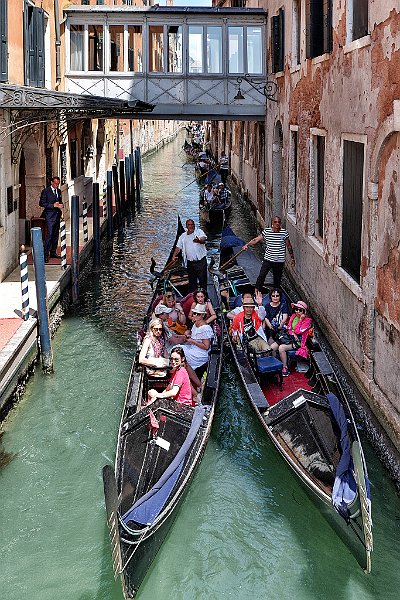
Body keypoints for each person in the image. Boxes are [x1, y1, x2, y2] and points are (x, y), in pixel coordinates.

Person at [243, 216, 295, 291]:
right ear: (272, 223)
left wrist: (292, 258)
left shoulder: (284, 233)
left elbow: (289, 246)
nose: (277, 224)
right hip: (268, 259)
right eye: (275, 222)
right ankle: (257, 291)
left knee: (277, 278)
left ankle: (276, 293)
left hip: (279, 261)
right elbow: (256, 240)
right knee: (261, 275)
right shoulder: (267, 231)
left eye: (279, 222)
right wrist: (247, 245)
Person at [276, 300, 313, 376]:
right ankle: (276, 367)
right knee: (273, 346)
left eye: (300, 310)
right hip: (290, 338)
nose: (297, 311)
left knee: (281, 348)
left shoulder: (307, 321)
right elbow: (289, 328)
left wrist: (300, 320)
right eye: (296, 309)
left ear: (304, 312)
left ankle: (284, 367)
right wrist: (293, 333)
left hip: (299, 342)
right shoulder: (293, 316)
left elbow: (298, 331)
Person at [171, 219, 207, 292]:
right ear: (186, 226)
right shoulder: (183, 236)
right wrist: (174, 256)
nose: (191, 226)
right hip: (190, 262)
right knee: (192, 281)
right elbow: (178, 247)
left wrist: (199, 240)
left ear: (194, 225)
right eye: (189, 225)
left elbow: (203, 239)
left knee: (202, 280)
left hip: (200, 261)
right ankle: (193, 296)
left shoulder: (199, 232)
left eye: (192, 224)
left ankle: (204, 296)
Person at [181, 303, 214, 376]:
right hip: (193, 348)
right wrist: (188, 333)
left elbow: (206, 347)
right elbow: (193, 334)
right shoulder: (196, 324)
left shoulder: (205, 328)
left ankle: (186, 373)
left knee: (179, 352)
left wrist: (193, 341)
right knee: (177, 348)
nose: (195, 315)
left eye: (198, 314)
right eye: (194, 313)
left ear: (202, 315)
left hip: (200, 354)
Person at [39, 176, 64, 263]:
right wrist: (53, 205)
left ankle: (53, 252)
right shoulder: (46, 191)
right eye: (55, 184)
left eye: (58, 184)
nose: (57, 185)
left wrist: (61, 205)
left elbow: (60, 202)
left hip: (57, 215)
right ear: (52, 183)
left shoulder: (59, 191)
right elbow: (41, 203)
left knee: (55, 234)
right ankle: (46, 254)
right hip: (49, 216)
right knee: (49, 235)